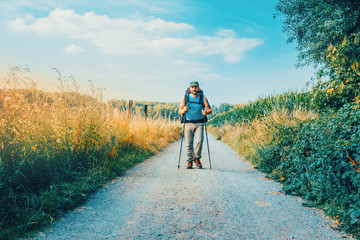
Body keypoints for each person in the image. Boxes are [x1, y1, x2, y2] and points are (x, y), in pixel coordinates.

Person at [178, 81, 212, 169]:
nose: (194, 89)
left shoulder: (202, 98)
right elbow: (179, 111)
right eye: (192, 87)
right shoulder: (185, 98)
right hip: (188, 123)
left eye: (196, 87)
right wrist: (184, 110)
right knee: (189, 143)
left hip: (199, 123)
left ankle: (196, 157)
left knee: (200, 141)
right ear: (190, 88)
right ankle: (189, 161)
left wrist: (206, 112)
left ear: (198, 88)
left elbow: (209, 110)